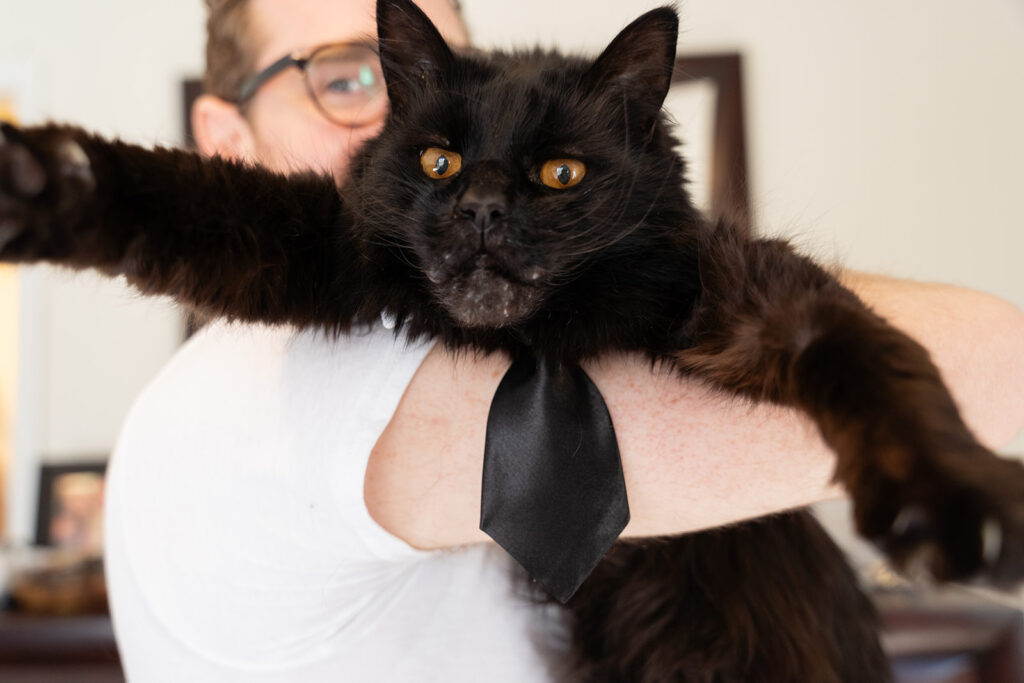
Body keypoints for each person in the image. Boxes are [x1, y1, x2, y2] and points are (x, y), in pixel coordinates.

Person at [103, 0, 1024, 680]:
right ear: (220, 138)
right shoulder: (259, 387)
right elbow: (990, 357)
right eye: (345, 82)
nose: (408, 141)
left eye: (446, 81)